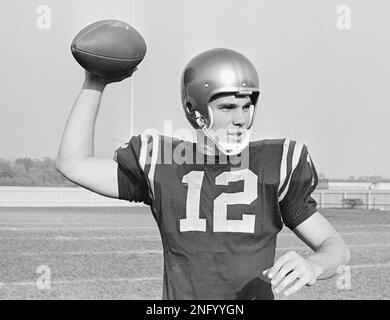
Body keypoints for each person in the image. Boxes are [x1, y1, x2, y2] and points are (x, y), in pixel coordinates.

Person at [56, 48, 350, 300]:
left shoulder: (276, 163)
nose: (241, 119)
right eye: (227, 107)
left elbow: (336, 248)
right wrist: (95, 82)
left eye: (247, 106)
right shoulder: (163, 163)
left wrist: (315, 265)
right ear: (192, 108)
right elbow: (73, 164)